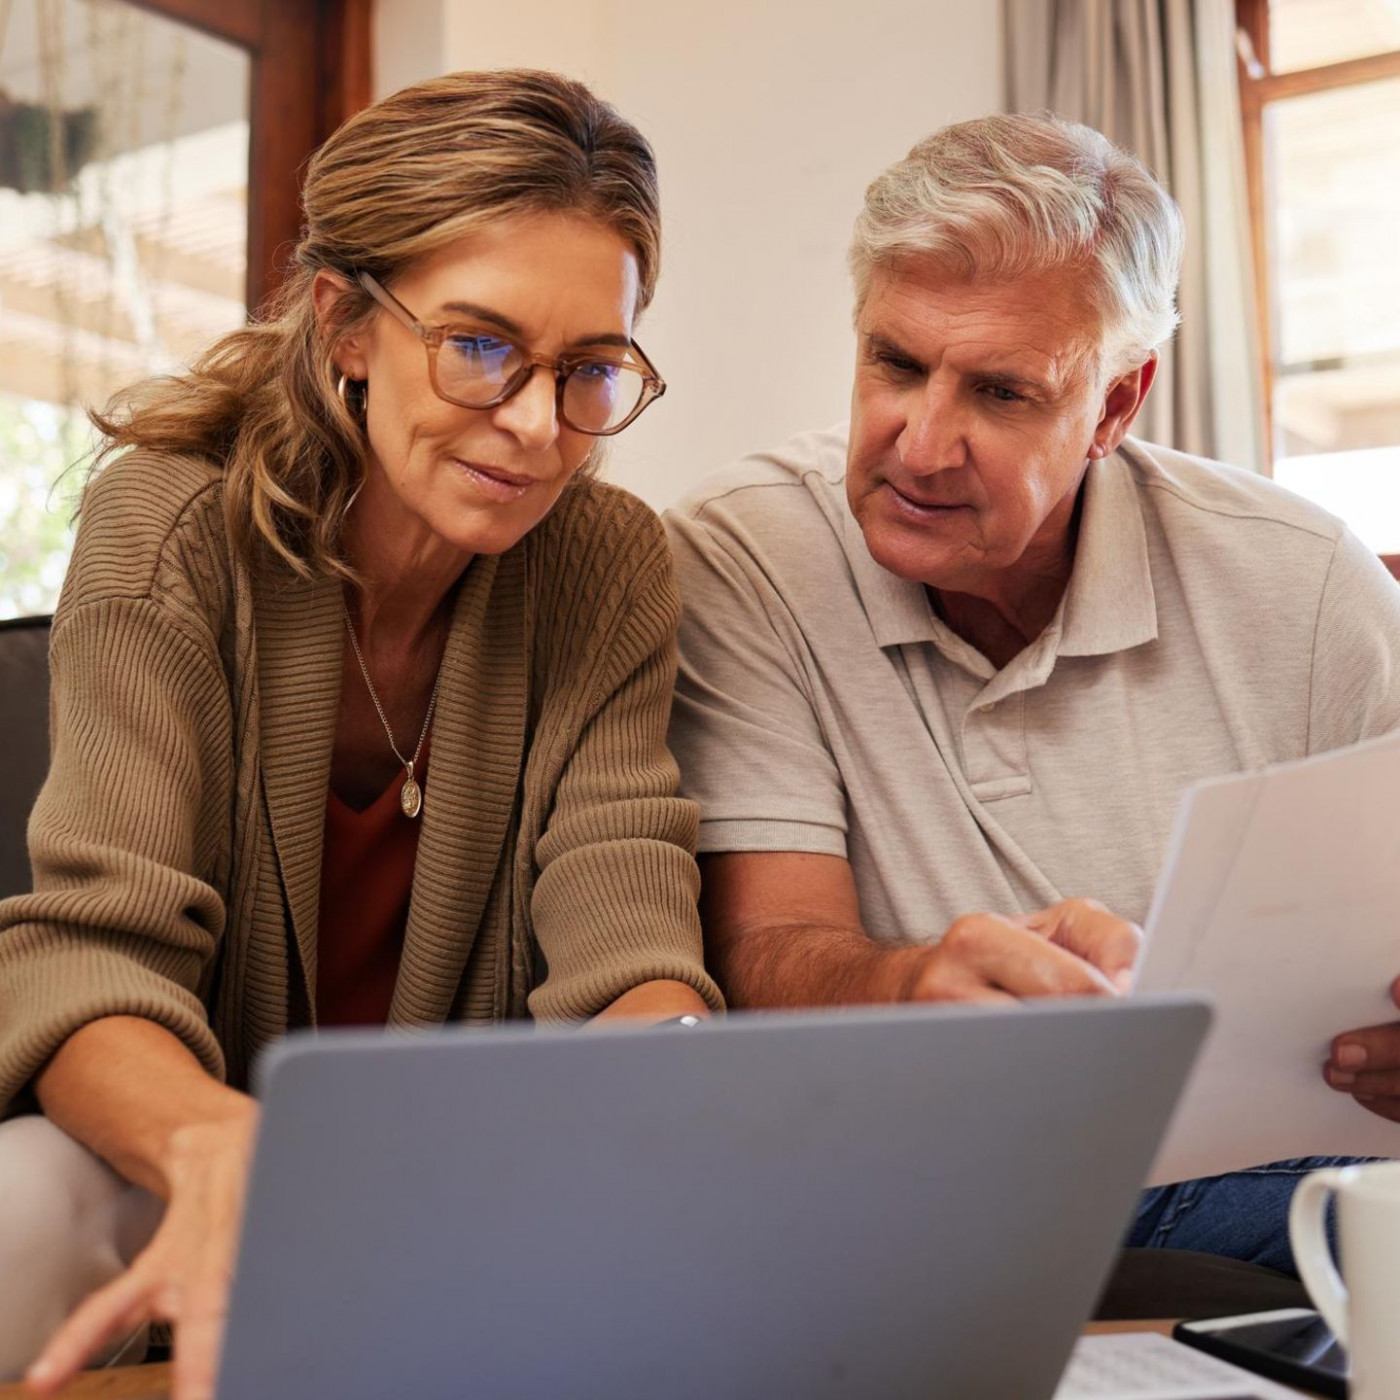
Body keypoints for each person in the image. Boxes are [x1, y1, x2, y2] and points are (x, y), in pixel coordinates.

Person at [0, 69, 721, 1399]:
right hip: (184, 1145)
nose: (535, 426)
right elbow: (90, 957)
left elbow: (626, 939)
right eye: (480, 346)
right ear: (344, 324)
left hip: (473, 1177)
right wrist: (223, 1151)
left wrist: (672, 1082)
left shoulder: (609, 562)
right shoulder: (170, 524)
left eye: (588, 370)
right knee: (20, 1212)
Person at [666, 113, 1400, 1274]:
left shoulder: (1304, 582)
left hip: (1285, 1176)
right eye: (894, 363)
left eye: (1000, 393)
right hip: (932, 1183)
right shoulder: (744, 552)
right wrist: (910, 986)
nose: (919, 445)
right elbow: (766, 946)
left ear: (1112, 407)